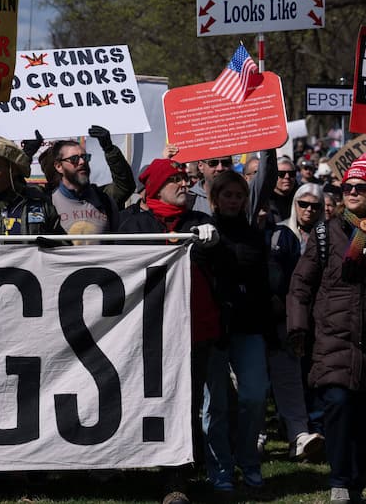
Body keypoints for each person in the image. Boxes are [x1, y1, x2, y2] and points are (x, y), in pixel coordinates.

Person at [116, 158, 220, 503]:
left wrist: (212, 243)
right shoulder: (132, 225)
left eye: (184, 179)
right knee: (139, 399)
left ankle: (177, 478)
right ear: (156, 187)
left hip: (192, 329)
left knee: (184, 403)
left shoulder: (199, 222)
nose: (184, 185)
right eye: (175, 180)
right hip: (144, 332)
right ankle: (128, 463)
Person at [288, 154, 366, 504]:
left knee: (365, 419)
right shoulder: (327, 232)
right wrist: (298, 328)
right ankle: (339, 481)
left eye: (361, 187)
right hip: (332, 338)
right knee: (337, 405)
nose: (352, 192)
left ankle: (355, 481)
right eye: (347, 187)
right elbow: (301, 285)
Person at [201, 169, 273, 493]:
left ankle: (248, 460)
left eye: (239, 195)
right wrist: (202, 244)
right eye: (227, 195)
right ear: (215, 199)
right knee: (215, 404)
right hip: (215, 328)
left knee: (255, 396)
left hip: (249, 326)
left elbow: (262, 282)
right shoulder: (203, 232)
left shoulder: (255, 234)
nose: (233, 200)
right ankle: (220, 469)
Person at [267, 182, 326, 461]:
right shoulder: (281, 234)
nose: (309, 210)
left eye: (315, 205)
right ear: (294, 205)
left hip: (321, 317)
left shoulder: (329, 235)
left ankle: (315, 432)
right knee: (290, 376)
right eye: (303, 204)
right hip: (287, 317)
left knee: (315, 374)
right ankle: (296, 433)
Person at [46, 125, 135, 237]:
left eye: (85, 157)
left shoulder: (103, 198)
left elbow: (125, 186)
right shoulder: (48, 202)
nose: (82, 162)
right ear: (59, 166)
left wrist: (109, 149)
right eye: (74, 159)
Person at [269, 156, 298, 222]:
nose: (287, 177)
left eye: (291, 174)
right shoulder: (265, 201)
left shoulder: (301, 198)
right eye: (281, 174)